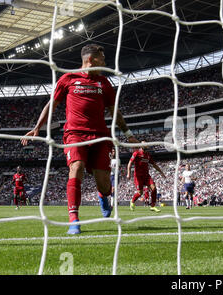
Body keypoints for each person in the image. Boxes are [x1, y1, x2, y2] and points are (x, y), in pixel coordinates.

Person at [21, 44, 139, 234]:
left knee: (105, 185)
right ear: (91, 60)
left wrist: (128, 135)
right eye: (102, 58)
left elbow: (113, 111)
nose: (105, 62)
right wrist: (37, 128)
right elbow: (52, 104)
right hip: (74, 134)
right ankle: (74, 219)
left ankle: (103, 195)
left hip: (101, 137)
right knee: (76, 168)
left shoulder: (104, 83)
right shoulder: (68, 79)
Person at [127, 142, 166, 212]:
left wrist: (161, 172)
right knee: (140, 193)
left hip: (146, 176)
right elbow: (130, 163)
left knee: (154, 188)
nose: (146, 145)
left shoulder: (148, 155)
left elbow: (154, 165)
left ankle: (153, 206)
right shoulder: (136, 153)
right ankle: (132, 201)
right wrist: (128, 173)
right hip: (138, 176)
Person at [98, 147, 119, 216]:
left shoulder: (117, 160)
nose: (113, 152)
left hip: (115, 176)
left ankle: (112, 204)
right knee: (108, 190)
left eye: (114, 151)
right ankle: (110, 203)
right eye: (112, 151)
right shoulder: (108, 159)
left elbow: (116, 168)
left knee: (113, 189)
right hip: (109, 176)